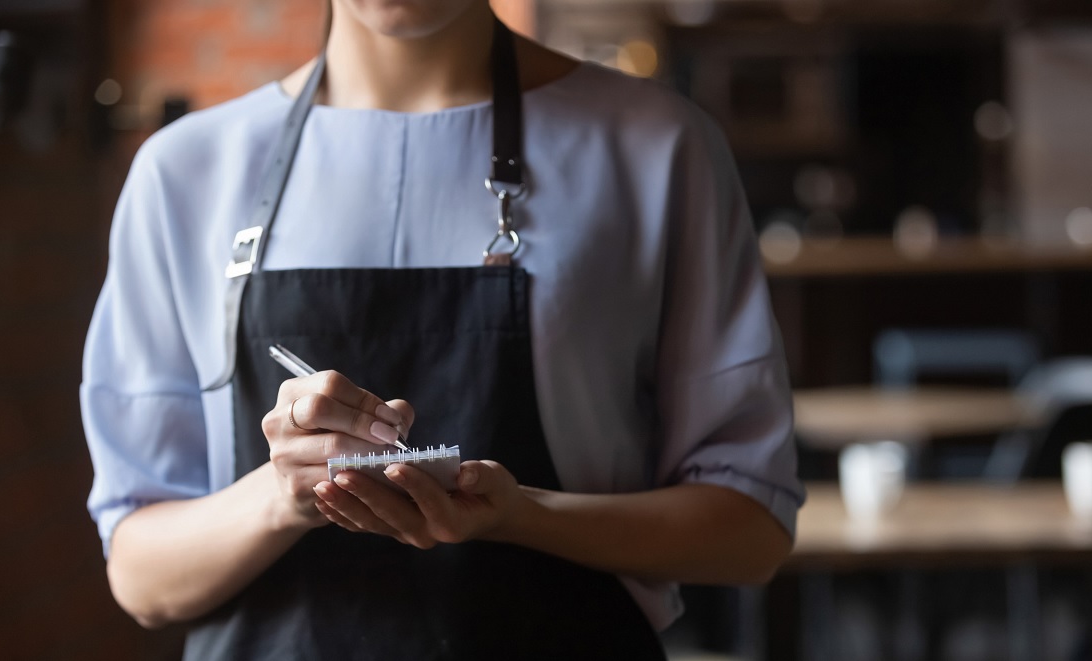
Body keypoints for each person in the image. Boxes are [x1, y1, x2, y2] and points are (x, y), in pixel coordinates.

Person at [80, 0, 804, 658]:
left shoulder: (656, 147)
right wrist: (281, 495)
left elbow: (750, 532)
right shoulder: (184, 173)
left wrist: (524, 514)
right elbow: (142, 577)